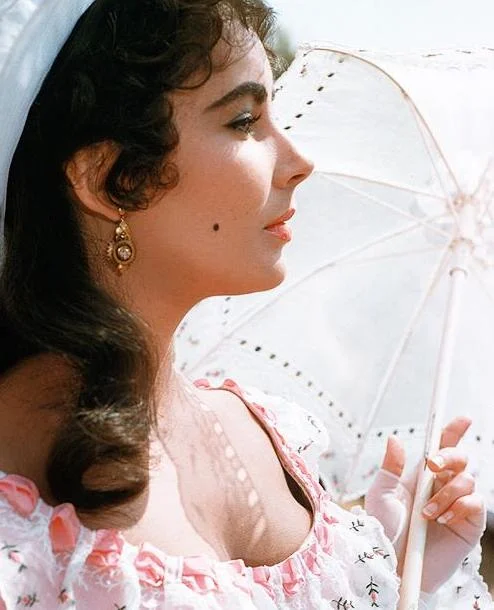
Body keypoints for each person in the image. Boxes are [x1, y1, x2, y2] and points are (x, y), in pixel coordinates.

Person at [0, 0, 490, 608]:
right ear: (110, 178)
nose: (300, 162)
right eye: (244, 120)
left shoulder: (271, 436)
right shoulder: (16, 504)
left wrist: (393, 571)